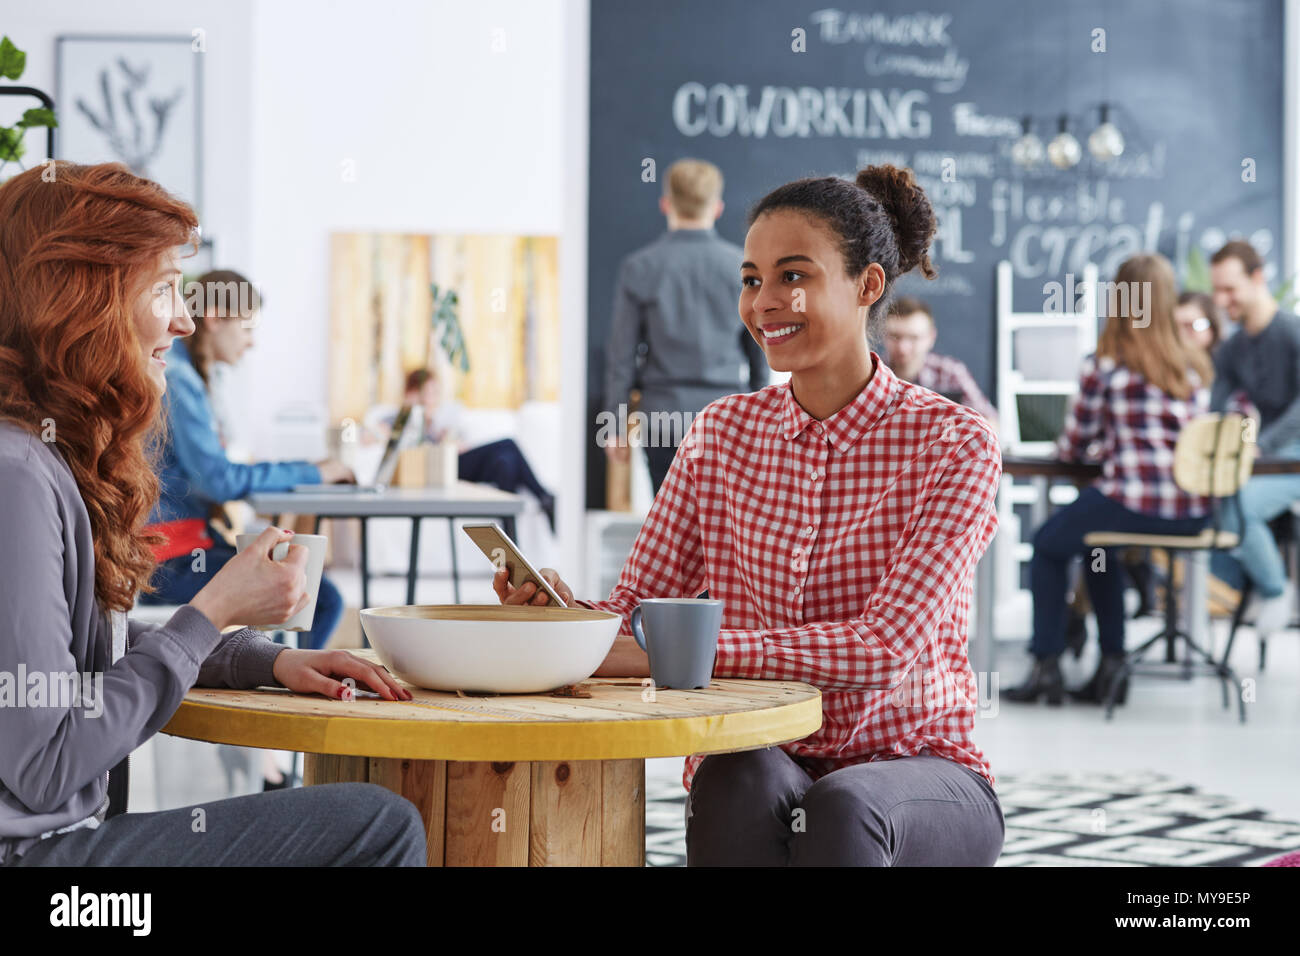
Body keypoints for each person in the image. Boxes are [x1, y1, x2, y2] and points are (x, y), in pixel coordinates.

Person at [501, 165, 1004, 866]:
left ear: (868, 285)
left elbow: (883, 648)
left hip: (919, 765)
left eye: (792, 276)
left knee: (843, 805)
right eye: (750, 279)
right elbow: (638, 612)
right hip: (767, 754)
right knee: (733, 771)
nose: (765, 302)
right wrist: (567, 615)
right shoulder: (721, 433)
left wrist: (691, 654)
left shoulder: (955, 443)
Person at [0, 161, 424, 866]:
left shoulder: (37, 461)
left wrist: (267, 659)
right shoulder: (17, 475)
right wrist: (215, 609)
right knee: (379, 826)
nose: (186, 317)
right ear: (83, 302)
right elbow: (46, 763)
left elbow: (78, 661)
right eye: (163, 288)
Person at [1004, 254, 1213, 707]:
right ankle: (1111, 670)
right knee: (1099, 549)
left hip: (1134, 500)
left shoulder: (1106, 364)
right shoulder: (1191, 365)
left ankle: (1046, 666)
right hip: (1193, 512)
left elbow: (1074, 446)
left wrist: (1099, 449)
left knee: (1047, 545)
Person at [137, 270, 353, 655]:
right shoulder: (180, 379)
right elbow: (218, 480)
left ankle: (275, 669)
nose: (251, 343)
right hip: (167, 565)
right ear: (217, 317)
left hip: (176, 551)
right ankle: (290, 685)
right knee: (320, 596)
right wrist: (314, 471)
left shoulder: (186, 373)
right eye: (248, 328)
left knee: (303, 584)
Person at [604, 158, 768, 496]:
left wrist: (616, 426)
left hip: (662, 418)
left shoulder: (639, 268)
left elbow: (621, 356)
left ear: (666, 204)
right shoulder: (741, 269)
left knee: (671, 531)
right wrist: (760, 420)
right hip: (726, 419)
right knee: (724, 531)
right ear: (718, 207)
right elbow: (760, 353)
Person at [1205, 239, 1300, 637]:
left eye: (1230, 289)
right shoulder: (1232, 348)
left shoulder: (1292, 332)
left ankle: (1275, 591)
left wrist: (1264, 444)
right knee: (1212, 503)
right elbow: (1215, 408)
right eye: (1217, 290)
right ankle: (1250, 582)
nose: (1222, 300)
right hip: (1267, 455)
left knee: (1242, 503)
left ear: (1258, 278)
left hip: (1289, 454)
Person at [402, 368, 556, 532]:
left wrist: (450, 439)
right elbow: (380, 435)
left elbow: (457, 441)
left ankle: (510, 542)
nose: (432, 398)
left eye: (435, 392)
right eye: (428, 392)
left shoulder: (442, 418)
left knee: (505, 462)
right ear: (413, 393)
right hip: (442, 468)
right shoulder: (403, 417)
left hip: (459, 460)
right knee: (508, 444)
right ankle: (544, 497)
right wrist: (414, 414)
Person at [884, 296, 999, 426]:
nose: (903, 348)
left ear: (931, 338)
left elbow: (990, 421)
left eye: (914, 338)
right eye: (895, 337)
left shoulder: (950, 372)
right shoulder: (872, 373)